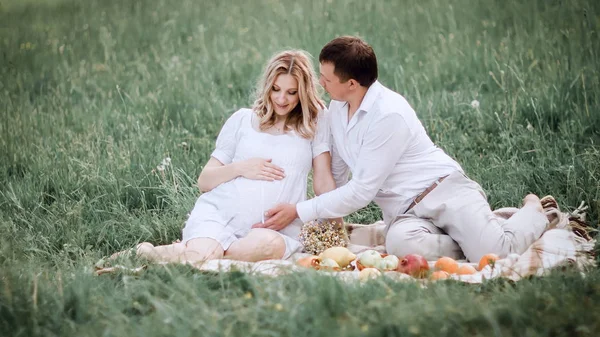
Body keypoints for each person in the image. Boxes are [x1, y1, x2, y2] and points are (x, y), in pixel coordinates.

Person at [254, 36, 549, 262]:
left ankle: (534, 210)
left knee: (496, 253)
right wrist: (327, 225)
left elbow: (361, 192)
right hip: (405, 213)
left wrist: (298, 211)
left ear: (352, 83)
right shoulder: (338, 106)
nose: (321, 83)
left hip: (444, 192)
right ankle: (474, 235)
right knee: (400, 247)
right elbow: (339, 172)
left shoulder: (388, 115)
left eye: (327, 79)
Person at [112, 50, 336, 264]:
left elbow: (323, 179)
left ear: (303, 92)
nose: (281, 99)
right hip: (220, 214)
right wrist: (241, 167)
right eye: (276, 89)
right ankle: (173, 252)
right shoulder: (242, 119)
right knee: (202, 257)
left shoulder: (314, 123)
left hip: (272, 229)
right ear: (268, 86)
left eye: (291, 92)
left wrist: (335, 225)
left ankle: (182, 252)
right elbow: (205, 181)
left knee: (269, 247)